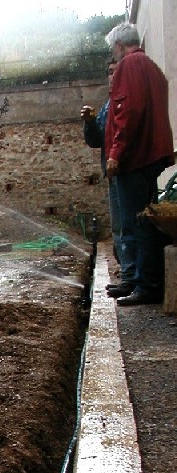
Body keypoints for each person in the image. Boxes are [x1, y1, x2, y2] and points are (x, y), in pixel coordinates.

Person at [104, 21, 174, 306]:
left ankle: (147, 286)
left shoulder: (129, 65)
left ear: (120, 45)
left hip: (135, 158)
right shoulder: (152, 67)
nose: (114, 54)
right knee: (143, 220)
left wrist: (116, 153)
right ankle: (136, 280)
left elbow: (128, 110)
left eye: (114, 49)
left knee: (137, 223)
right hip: (152, 155)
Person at [81, 59, 135, 296]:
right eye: (110, 72)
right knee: (118, 226)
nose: (113, 76)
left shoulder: (129, 101)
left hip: (129, 171)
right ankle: (128, 275)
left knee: (130, 225)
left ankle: (134, 278)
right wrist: (90, 122)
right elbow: (96, 140)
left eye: (116, 72)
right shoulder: (107, 107)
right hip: (113, 173)